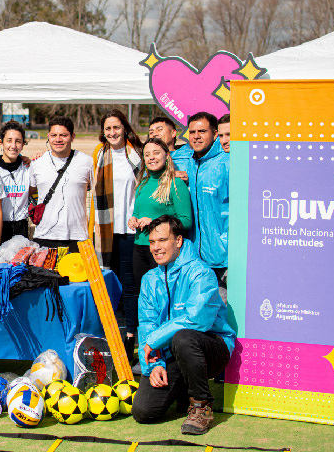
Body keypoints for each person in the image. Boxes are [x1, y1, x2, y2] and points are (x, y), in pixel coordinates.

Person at [132, 215, 235, 435]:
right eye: (152, 242)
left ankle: (201, 406)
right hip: (173, 352)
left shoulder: (201, 272)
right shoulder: (149, 279)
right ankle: (183, 389)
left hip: (212, 348)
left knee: (184, 337)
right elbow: (147, 325)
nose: (156, 247)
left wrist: (154, 341)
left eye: (162, 240)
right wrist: (154, 364)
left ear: (178, 241)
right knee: (143, 411)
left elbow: (197, 320)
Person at [127, 138, 193, 366]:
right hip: (140, 248)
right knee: (145, 302)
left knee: (165, 303)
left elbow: (186, 221)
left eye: (156, 153)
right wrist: (134, 221)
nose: (151, 157)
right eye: (147, 154)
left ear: (167, 155)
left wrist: (154, 222)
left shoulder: (176, 184)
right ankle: (147, 353)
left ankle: (170, 354)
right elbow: (141, 212)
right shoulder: (143, 183)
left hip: (163, 253)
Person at [92, 109, 143, 352]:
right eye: (108, 128)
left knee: (130, 286)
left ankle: (131, 336)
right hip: (106, 231)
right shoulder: (99, 154)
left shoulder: (138, 154)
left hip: (132, 231)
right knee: (108, 284)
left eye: (116, 127)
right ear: (103, 132)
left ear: (125, 128)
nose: (112, 132)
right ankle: (108, 334)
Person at [29, 117, 94, 253]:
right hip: (44, 236)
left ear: (72, 136)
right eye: (54, 135)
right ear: (48, 136)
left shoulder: (87, 162)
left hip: (78, 237)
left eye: (63, 135)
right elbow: (29, 192)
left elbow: (98, 192)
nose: (58, 139)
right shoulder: (37, 163)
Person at [181, 113, 229, 285]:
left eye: (202, 131)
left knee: (224, 309)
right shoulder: (191, 163)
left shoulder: (227, 163)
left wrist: (228, 248)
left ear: (215, 134)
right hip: (197, 258)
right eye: (192, 132)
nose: (196, 136)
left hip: (224, 258)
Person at [0, 121, 35, 242]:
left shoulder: (29, 168)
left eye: (18, 141)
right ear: (1, 143)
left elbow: (32, 190)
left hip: (21, 228)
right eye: (9, 140)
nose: (13, 145)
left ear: (23, 145)